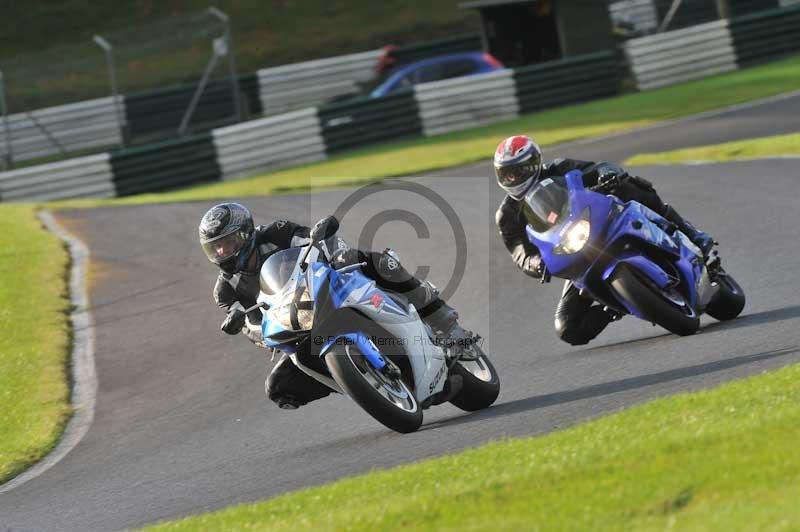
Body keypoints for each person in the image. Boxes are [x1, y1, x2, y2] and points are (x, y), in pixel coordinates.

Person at [198, 203, 472, 409]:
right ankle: (360, 381)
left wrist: (335, 255)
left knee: (374, 261)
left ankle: (444, 321)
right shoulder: (225, 290)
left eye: (227, 243)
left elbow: (316, 242)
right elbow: (250, 326)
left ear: (245, 234)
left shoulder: (276, 233)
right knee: (279, 388)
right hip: (297, 326)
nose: (222, 253)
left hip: (326, 289)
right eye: (216, 248)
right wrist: (247, 327)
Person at [493, 135, 715, 346]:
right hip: (576, 251)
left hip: (603, 222)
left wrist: (606, 173)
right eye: (506, 174)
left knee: (632, 187)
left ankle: (691, 233)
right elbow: (519, 252)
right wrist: (536, 264)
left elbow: (594, 168)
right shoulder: (507, 216)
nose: (513, 178)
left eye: (518, 171)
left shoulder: (558, 168)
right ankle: (617, 304)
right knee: (568, 328)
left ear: (533, 164)